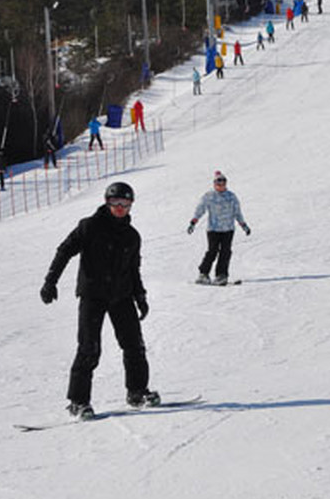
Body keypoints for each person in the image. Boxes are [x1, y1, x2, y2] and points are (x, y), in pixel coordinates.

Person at [40, 182, 158, 419]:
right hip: (93, 295)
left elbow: (133, 270)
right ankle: (78, 401)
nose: (120, 208)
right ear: (107, 202)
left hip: (121, 296)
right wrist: (50, 281)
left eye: (125, 204)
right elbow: (65, 250)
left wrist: (140, 296)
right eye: (116, 203)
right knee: (89, 348)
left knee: (134, 345)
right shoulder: (90, 226)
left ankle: (137, 391)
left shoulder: (132, 236)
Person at [187, 171, 250, 285]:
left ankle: (221, 274)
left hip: (228, 229)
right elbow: (200, 209)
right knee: (212, 251)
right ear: (214, 184)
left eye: (223, 184)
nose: (221, 186)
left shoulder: (231, 196)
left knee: (226, 252)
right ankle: (203, 273)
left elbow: (237, 213)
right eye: (218, 183)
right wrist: (193, 221)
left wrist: (243, 225)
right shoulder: (209, 196)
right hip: (213, 229)